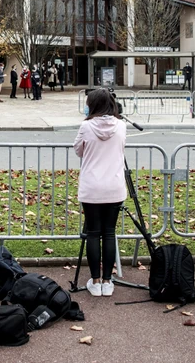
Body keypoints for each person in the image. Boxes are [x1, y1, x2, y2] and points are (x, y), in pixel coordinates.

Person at [73, 89, 127, 297]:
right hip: (114, 186)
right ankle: (107, 280)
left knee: (94, 233)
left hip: (92, 186)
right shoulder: (121, 126)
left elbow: (78, 150)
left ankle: (95, 281)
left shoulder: (86, 126)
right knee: (110, 232)